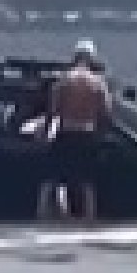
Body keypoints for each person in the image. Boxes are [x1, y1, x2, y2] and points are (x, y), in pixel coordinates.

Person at [35, 40, 111, 223]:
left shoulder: (64, 80)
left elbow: (52, 112)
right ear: (91, 59)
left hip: (66, 131)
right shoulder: (98, 84)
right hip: (87, 133)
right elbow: (106, 114)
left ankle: (47, 214)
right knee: (86, 181)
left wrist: (45, 134)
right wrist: (101, 137)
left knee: (56, 178)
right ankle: (89, 218)